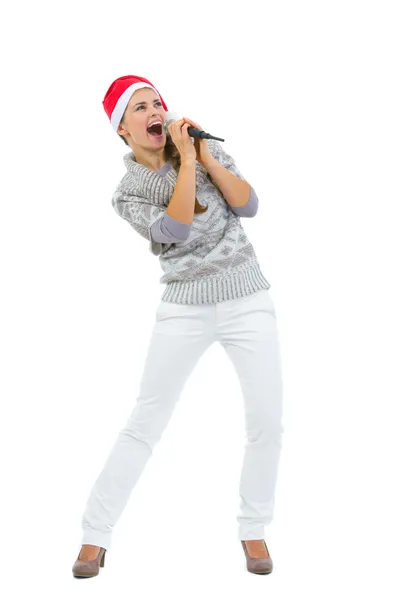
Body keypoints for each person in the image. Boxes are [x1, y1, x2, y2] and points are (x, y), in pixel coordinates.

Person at [72, 74, 284, 577]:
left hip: (246, 295)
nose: (155, 111)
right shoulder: (127, 192)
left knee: (267, 422)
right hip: (184, 305)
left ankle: (253, 530)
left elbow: (248, 205)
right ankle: (94, 536)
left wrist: (202, 154)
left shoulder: (204, 150)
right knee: (146, 421)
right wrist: (186, 163)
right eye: (140, 107)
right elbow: (176, 227)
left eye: (158, 102)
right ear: (122, 128)